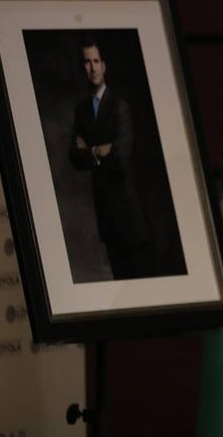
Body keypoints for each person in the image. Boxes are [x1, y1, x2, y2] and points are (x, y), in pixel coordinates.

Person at [69, 39, 153, 280]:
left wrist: (90, 152)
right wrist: (99, 151)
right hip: (106, 216)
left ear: (104, 66)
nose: (92, 68)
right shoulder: (81, 110)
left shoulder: (119, 107)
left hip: (128, 218)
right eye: (87, 62)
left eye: (96, 61)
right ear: (82, 68)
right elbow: (75, 158)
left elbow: (121, 157)